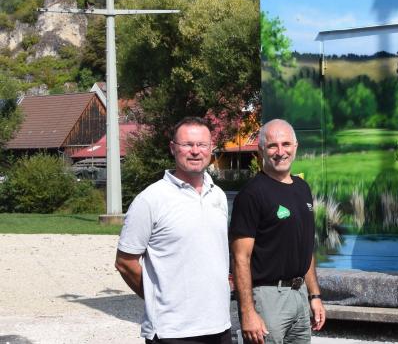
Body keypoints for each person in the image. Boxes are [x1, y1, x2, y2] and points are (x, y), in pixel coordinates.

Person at [115, 117, 232, 344]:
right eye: (187, 145)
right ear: (173, 148)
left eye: (202, 145)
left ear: (211, 148)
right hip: (172, 332)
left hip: (219, 326)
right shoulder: (151, 199)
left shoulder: (217, 195)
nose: (195, 151)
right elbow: (124, 262)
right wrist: (157, 296)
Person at [230, 119, 325, 344]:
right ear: (261, 149)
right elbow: (240, 258)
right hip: (267, 297)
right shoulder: (252, 195)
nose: (280, 152)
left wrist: (314, 296)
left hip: (299, 294)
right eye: (272, 146)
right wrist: (248, 312)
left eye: (286, 144)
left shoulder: (302, 188)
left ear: (295, 147)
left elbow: (305, 247)